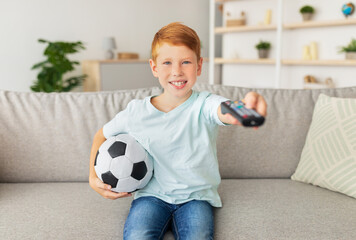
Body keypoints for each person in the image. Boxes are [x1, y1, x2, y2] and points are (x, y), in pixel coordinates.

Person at [89, 22, 267, 240]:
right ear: (154, 67)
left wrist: (245, 108)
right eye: (167, 62)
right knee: (138, 235)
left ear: (199, 66)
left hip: (196, 197)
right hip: (151, 196)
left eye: (186, 62)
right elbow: (101, 135)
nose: (177, 71)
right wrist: (92, 177)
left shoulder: (205, 104)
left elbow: (224, 110)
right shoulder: (136, 112)